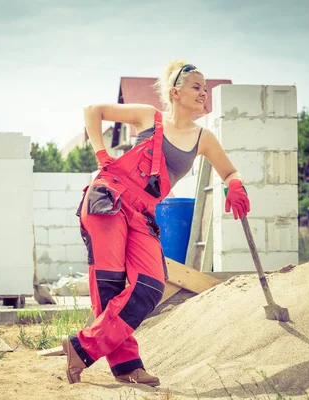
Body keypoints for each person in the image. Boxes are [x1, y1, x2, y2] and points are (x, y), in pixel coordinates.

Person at [62, 61, 250, 386]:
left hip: (143, 212)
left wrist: (234, 184)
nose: (203, 93)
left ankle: (81, 346)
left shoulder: (204, 138)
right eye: (196, 87)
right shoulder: (149, 116)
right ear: (175, 93)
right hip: (109, 198)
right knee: (109, 287)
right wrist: (101, 155)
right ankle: (127, 368)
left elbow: (230, 170)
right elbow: (92, 110)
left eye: (204, 88)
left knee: (150, 286)